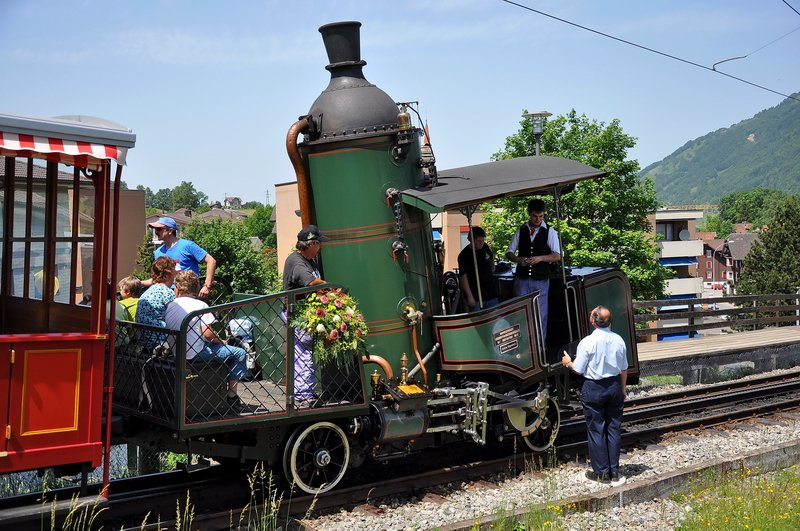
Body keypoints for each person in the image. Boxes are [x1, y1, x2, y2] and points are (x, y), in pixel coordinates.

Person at [562, 306, 628, 486]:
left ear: (593, 321)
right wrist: (622, 389)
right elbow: (623, 369)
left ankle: (602, 473)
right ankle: (614, 472)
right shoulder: (619, 340)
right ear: (609, 321)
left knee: (596, 430)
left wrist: (568, 362)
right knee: (614, 429)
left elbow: (578, 369)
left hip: (593, 388)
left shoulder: (587, 342)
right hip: (614, 385)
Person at [165, 270, 248, 413]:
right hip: (195, 353)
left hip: (177, 352)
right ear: (196, 288)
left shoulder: (171, 305)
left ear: (177, 288)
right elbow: (208, 334)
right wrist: (222, 341)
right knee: (239, 353)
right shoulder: (201, 305)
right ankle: (232, 396)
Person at [283, 225, 330, 405]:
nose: (321, 247)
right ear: (311, 244)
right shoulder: (296, 261)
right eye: (319, 243)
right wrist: (329, 286)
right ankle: (303, 395)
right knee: (304, 353)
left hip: (304, 313)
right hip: (297, 314)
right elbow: (310, 282)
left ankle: (304, 391)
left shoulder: (309, 260)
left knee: (305, 352)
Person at [504, 198, 561, 342]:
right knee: (519, 314)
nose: (538, 219)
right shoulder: (521, 230)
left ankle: (540, 347)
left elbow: (558, 255)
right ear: (529, 214)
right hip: (521, 279)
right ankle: (523, 346)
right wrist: (519, 260)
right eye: (535, 216)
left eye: (541, 216)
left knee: (540, 315)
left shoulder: (550, 231)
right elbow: (509, 252)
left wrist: (540, 258)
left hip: (540, 280)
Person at [146, 217, 217, 299]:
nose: (156, 232)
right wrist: (139, 283)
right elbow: (157, 278)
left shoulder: (187, 246)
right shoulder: (158, 252)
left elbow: (211, 261)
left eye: (159, 229)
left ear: (170, 231)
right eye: (155, 229)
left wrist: (207, 286)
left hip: (188, 294)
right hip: (167, 297)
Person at [136, 256, 177, 349]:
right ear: (167, 275)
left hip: (144, 341)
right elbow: (175, 317)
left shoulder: (149, 291)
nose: (176, 272)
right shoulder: (167, 292)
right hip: (160, 341)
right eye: (174, 270)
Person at [457, 226, 498, 310]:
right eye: (479, 241)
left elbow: (491, 257)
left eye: (483, 240)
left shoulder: (485, 247)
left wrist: (493, 267)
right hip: (476, 295)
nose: (481, 243)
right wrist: (469, 296)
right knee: (478, 317)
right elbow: (463, 277)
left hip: (490, 293)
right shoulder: (464, 255)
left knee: (495, 316)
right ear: (471, 240)